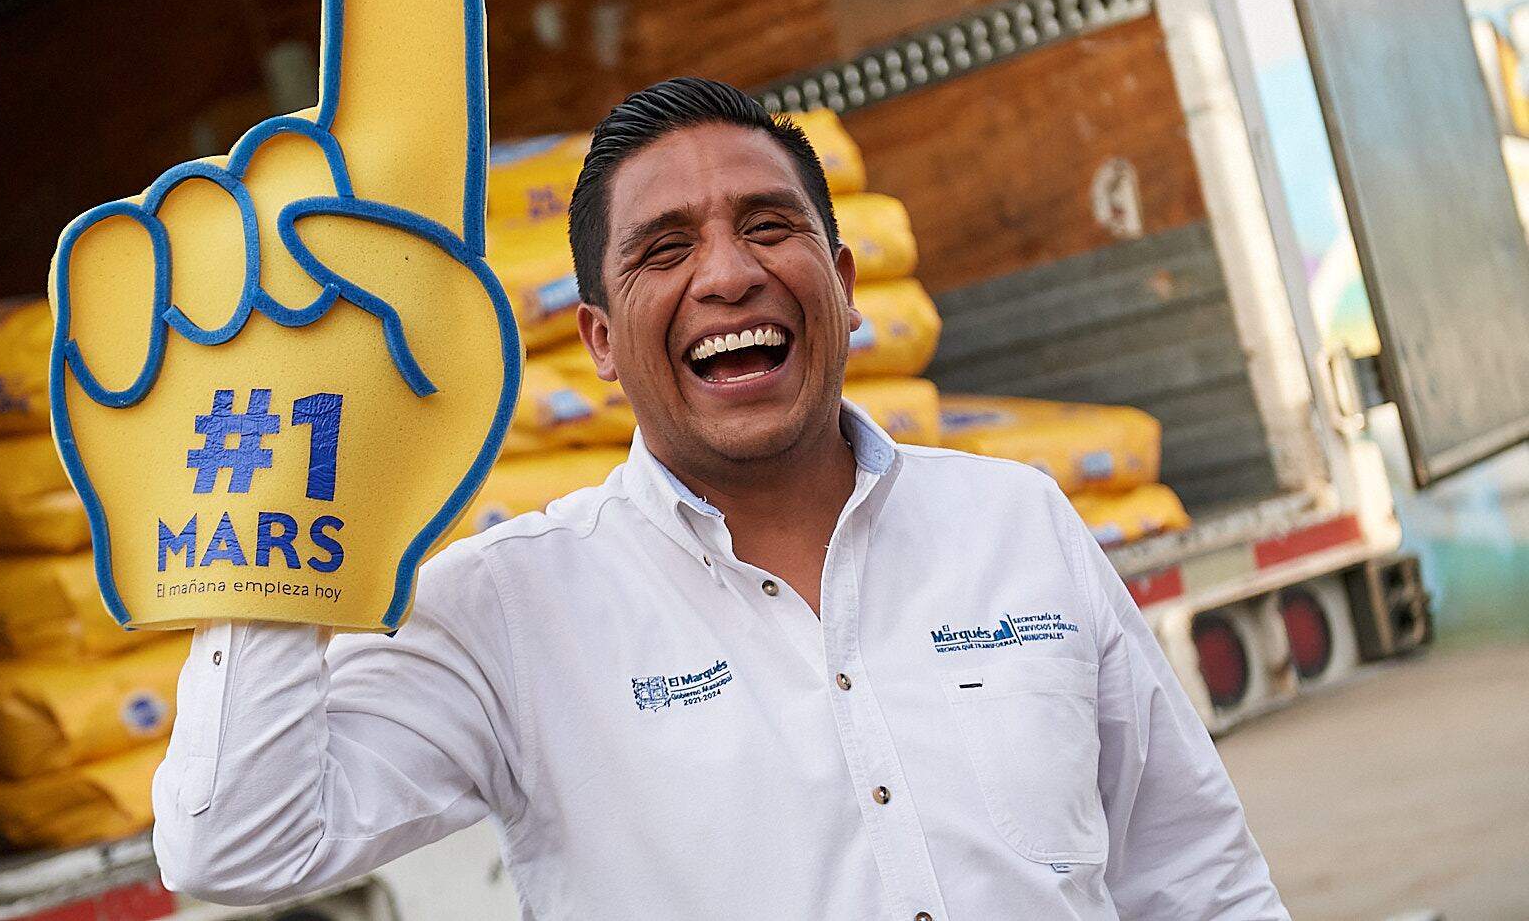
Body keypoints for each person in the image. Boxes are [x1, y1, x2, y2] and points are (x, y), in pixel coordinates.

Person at [152, 77, 1289, 919]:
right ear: (600, 339)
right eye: (662, 250)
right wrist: (282, 469)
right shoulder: (508, 607)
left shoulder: (1014, 520)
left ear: (843, 284)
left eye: (769, 225)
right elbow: (236, 845)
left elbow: (1192, 870)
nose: (730, 274)